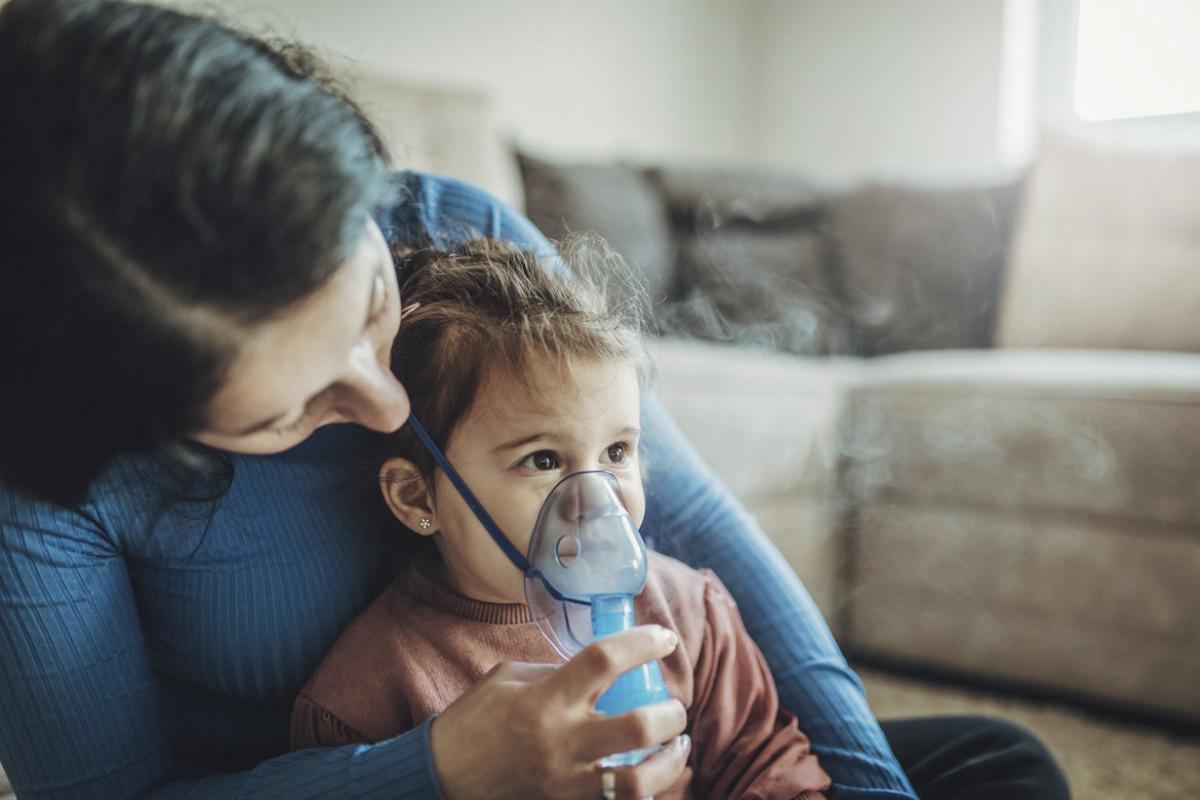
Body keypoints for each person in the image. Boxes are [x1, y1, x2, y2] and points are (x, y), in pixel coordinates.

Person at [0, 1, 1070, 799]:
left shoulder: (454, 237)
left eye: (374, 304)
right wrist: (437, 768)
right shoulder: (44, 476)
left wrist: (869, 783)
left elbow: (694, 523)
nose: (384, 407)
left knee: (994, 761)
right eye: (291, 409)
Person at [288, 238, 834, 800]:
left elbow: (769, 764)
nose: (594, 499)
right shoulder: (370, 691)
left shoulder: (687, 614)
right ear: (418, 499)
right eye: (542, 461)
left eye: (617, 453)